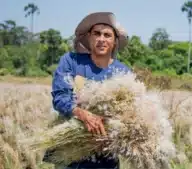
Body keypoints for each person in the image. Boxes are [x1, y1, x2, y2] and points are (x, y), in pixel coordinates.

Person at [49, 12, 131, 169]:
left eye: (107, 35)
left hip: (105, 155)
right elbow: (60, 97)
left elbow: (129, 112)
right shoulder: (71, 61)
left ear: (114, 42)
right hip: (70, 151)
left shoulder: (123, 73)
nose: (101, 39)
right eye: (97, 34)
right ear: (89, 37)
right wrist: (82, 114)